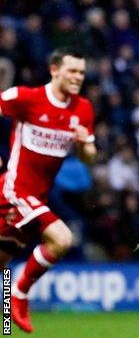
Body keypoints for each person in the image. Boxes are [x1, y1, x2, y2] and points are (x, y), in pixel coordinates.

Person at [0, 47, 96, 333]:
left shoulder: (83, 109)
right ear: (55, 70)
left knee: (3, 260)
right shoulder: (25, 98)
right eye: (72, 71)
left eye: (81, 72)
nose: (78, 77)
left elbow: (90, 156)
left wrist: (83, 145)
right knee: (62, 239)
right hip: (14, 190)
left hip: (35, 199)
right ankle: (20, 293)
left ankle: (4, 323)